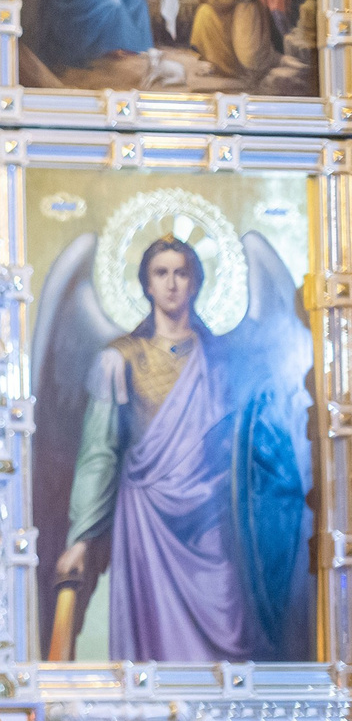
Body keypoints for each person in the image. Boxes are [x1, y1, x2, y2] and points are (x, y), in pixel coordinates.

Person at [53, 236, 302, 662]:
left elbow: (253, 442)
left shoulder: (223, 358)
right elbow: (101, 451)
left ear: (196, 282)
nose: (171, 283)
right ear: (146, 284)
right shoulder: (121, 359)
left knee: (231, 630)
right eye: (161, 273)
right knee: (155, 642)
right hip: (148, 519)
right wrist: (80, 538)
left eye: (181, 273)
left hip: (214, 519)